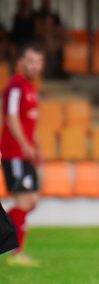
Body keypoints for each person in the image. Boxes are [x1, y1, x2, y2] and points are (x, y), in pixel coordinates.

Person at [2, 44, 45, 267]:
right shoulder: (15, 87)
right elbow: (11, 118)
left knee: (32, 201)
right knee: (24, 199)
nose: (34, 66)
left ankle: (13, 244)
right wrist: (24, 145)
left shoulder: (30, 88)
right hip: (14, 152)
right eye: (30, 61)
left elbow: (32, 123)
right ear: (20, 63)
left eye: (38, 62)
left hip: (26, 152)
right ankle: (16, 254)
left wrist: (37, 147)